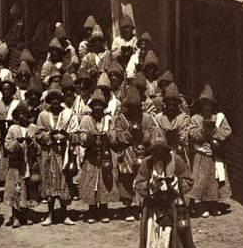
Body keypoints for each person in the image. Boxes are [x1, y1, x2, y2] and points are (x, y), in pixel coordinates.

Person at [134, 128, 199, 248]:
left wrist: (175, 182)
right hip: (154, 208)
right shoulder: (146, 164)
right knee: (155, 241)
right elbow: (138, 184)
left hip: (173, 206)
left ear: (166, 151)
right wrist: (151, 185)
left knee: (175, 240)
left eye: (161, 151)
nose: (158, 154)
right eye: (155, 151)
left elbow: (189, 181)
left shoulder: (176, 161)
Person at [36, 82, 78, 226]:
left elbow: (75, 133)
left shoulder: (68, 114)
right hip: (49, 153)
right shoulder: (43, 115)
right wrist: (50, 135)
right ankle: (50, 214)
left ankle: (65, 213)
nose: (55, 101)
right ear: (49, 100)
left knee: (65, 181)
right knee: (49, 181)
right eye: (52, 98)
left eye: (57, 98)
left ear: (61, 99)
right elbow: (38, 134)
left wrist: (67, 135)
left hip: (63, 153)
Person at [111, 86, 156, 221]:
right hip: (126, 153)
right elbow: (116, 135)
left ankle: (142, 207)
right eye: (130, 107)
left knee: (143, 179)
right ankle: (128, 208)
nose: (133, 110)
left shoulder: (146, 118)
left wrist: (143, 136)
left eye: (135, 107)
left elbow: (153, 133)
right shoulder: (121, 118)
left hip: (143, 152)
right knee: (126, 180)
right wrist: (129, 134)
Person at [187, 84, 232, 217]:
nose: (207, 107)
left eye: (209, 104)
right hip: (201, 154)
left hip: (215, 154)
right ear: (201, 105)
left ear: (213, 105)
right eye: (204, 104)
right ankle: (204, 206)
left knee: (215, 180)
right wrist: (201, 131)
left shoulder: (219, 118)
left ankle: (214, 205)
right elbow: (191, 132)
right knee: (202, 180)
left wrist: (215, 131)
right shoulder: (195, 118)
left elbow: (227, 131)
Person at [79, 90, 120, 223]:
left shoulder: (109, 120)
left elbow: (114, 137)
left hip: (105, 154)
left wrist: (107, 136)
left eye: (100, 105)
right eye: (95, 105)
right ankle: (91, 210)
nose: (97, 107)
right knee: (91, 180)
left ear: (104, 106)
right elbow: (82, 137)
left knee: (105, 179)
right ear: (91, 106)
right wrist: (88, 138)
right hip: (91, 155)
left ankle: (103, 208)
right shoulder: (86, 120)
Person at [4, 101, 38, 228]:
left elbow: (38, 148)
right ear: (17, 116)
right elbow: (7, 145)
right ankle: (16, 217)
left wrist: (31, 143)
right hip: (16, 164)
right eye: (20, 114)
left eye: (25, 113)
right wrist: (16, 144)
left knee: (26, 190)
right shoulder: (13, 129)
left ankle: (25, 215)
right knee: (15, 189)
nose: (22, 116)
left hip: (28, 163)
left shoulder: (33, 128)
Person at [155, 84, 191, 165]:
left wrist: (179, 135)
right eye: (169, 104)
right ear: (165, 104)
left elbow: (186, 138)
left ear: (178, 105)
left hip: (179, 153)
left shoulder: (183, 117)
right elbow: (156, 136)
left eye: (174, 104)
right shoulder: (159, 118)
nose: (171, 107)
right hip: (163, 153)